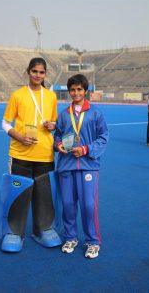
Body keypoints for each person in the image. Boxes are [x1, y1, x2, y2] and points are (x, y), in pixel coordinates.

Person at [0, 57, 61, 252]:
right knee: (19, 193)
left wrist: (53, 125)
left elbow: (54, 123)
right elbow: (5, 123)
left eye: (41, 72)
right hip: (20, 153)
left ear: (45, 74)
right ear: (28, 72)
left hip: (44, 154)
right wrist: (19, 137)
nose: (38, 75)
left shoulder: (51, 97)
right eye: (34, 71)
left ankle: (43, 229)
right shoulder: (18, 95)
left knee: (44, 195)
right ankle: (14, 232)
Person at [54, 74, 108, 259]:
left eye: (79, 89)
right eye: (72, 90)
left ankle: (92, 241)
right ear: (69, 91)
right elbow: (58, 136)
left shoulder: (96, 113)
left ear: (85, 91)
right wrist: (58, 145)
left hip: (88, 166)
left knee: (88, 205)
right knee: (68, 204)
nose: (76, 93)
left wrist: (86, 149)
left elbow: (103, 138)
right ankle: (70, 237)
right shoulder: (63, 114)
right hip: (66, 166)